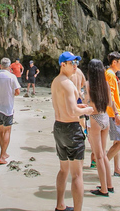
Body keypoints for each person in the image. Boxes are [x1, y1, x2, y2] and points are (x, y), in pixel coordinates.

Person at [51, 51, 94, 211]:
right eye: (72, 63)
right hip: (71, 129)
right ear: (63, 64)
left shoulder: (56, 81)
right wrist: (87, 110)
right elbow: (72, 112)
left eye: (77, 63)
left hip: (59, 127)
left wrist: (79, 107)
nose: (76, 66)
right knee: (77, 174)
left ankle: (60, 205)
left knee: (63, 170)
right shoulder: (68, 84)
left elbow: (64, 106)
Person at [85, 59, 114, 197]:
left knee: (99, 156)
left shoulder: (88, 84)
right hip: (105, 118)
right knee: (104, 154)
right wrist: (118, 116)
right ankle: (109, 184)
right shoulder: (106, 84)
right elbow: (109, 102)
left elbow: (88, 103)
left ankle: (103, 189)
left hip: (95, 119)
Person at [0, 57, 22, 164]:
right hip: (8, 108)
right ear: (10, 66)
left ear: (0, 66)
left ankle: (3, 152)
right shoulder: (12, 77)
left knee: (1, 131)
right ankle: (2, 156)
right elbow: (17, 92)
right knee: (7, 131)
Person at [105, 52, 120, 177]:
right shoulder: (110, 74)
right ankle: (102, 165)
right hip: (113, 113)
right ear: (114, 62)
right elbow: (111, 95)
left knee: (116, 143)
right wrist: (116, 114)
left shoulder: (110, 74)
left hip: (113, 112)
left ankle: (117, 169)